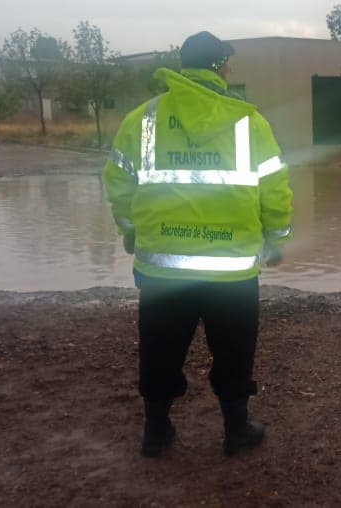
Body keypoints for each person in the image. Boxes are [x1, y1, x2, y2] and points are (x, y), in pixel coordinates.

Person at [102, 31, 293, 458]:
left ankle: (156, 432)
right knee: (234, 351)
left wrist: (130, 231)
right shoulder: (249, 123)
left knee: (160, 348)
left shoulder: (142, 120)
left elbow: (117, 183)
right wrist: (276, 239)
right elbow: (276, 192)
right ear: (220, 68)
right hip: (233, 273)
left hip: (162, 272)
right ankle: (236, 431)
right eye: (227, 64)